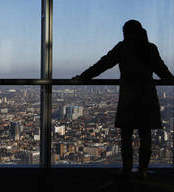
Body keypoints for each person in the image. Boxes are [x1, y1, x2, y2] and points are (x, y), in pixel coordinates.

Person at [73, 20, 174, 179]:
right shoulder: (150, 48)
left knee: (126, 136)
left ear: (126, 32)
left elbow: (102, 64)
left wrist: (83, 76)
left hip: (128, 97)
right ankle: (143, 170)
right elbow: (162, 71)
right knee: (145, 135)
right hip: (147, 96)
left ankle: (127, 169)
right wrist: (170, 78)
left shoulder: (123, 47)